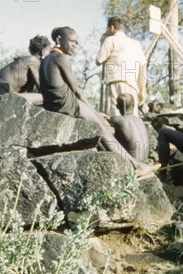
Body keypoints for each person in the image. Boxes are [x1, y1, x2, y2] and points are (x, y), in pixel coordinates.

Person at [40, 26, 160, 177]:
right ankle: (136, 165)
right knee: (101, 127)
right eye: (72, 41)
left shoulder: (46, 59)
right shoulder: (61, 58)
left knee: (99, 123)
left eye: (77, 42)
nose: (75, 45)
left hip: (57, 104)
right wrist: (94, 112)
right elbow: (76, 90)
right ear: (59, 39)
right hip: (68, 104)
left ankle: (125, 164)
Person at [95, 17, 147, 117]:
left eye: (107, 29)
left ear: (111, 27)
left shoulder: (110, 40)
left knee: (116, 118)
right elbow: (143, 68)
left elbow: (98, 61)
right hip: (132, 87)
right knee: (132, 119)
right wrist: (141, 91)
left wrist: (101, 44)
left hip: (116, 84)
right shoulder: (136, 44)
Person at [0, 35, 51, 104]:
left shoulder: (23, 62)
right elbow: (43, 89)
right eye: (49, 52)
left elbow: (25, 95)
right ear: (43, 51)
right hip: (1, 96)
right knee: (45, 97)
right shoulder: (33, 60)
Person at [110, 93, 149, 162]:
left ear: (117, 106)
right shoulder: (140, 120)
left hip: (133, 163)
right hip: (145, 160)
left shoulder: (116, 120)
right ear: (134, 105)